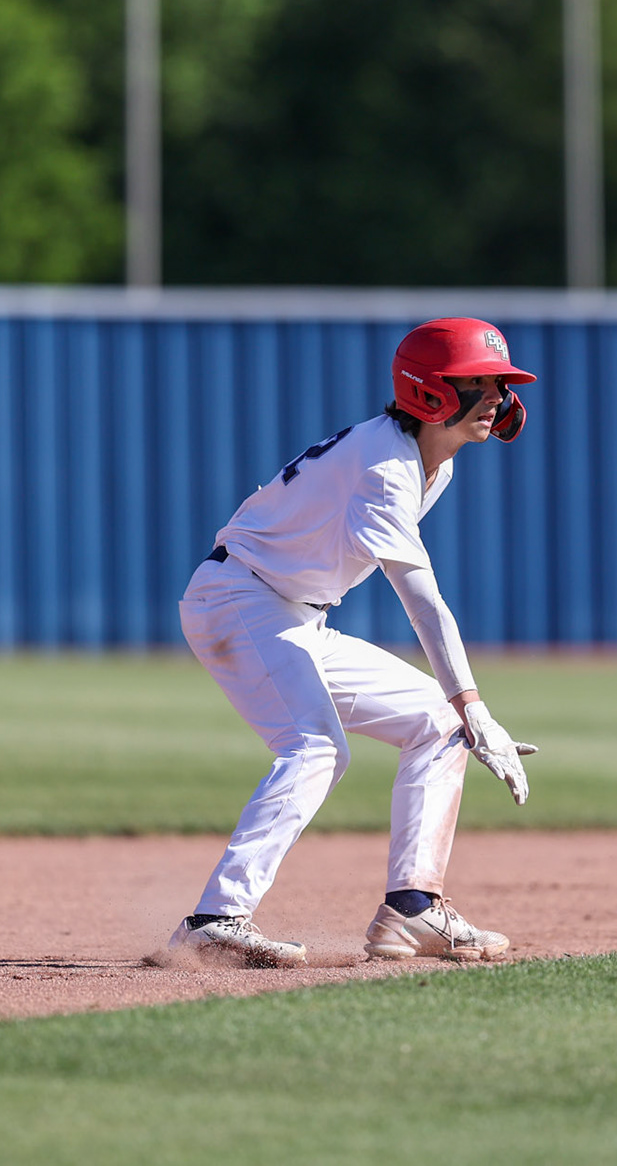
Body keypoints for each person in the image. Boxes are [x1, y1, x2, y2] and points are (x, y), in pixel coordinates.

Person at [151, 317, 538, 969]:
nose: (498, 395)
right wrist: (477, 703)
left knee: (436, 722)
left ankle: (412, 910)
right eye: (481, 380)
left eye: (501, 382)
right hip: (242, 598)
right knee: (316, 747)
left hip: (291, 612)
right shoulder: (387, 467)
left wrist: (461, 710)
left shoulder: (426, 465)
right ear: (432, 392)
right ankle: (213, 920)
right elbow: (423, 601)